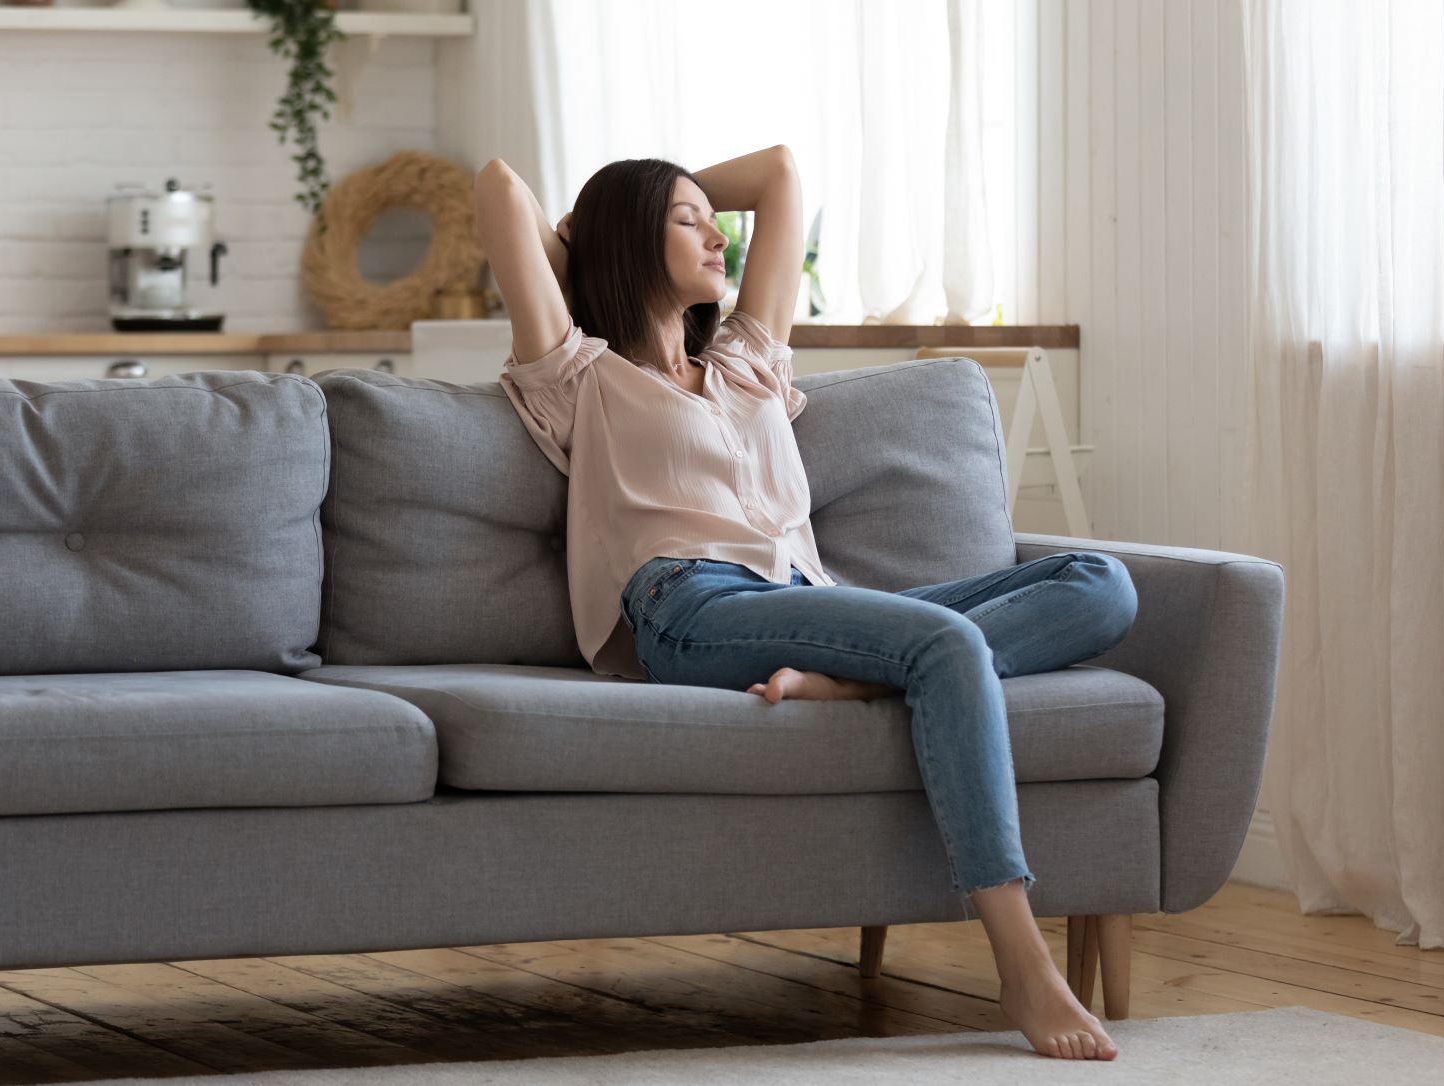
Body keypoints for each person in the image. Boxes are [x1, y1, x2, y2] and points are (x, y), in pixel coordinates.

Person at [476, 145, 1137, 1061]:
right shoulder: (580, 374)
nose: (718, 234)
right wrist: (591, 240)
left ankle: (854, 679)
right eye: (686, 219)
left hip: (803, 598)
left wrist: (677, 205)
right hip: (688, 604)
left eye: (715, 217)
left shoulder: (746, 362)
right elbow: (499, 187)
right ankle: (1024, 962)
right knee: (944, 647)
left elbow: (782, 172)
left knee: (1101, 583)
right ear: (629, 242)